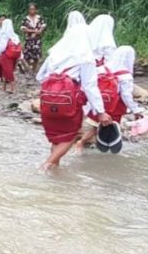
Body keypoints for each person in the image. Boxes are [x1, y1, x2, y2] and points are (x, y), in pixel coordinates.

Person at [36, 23, 112, 170]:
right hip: (69, 103)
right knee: (72, 134)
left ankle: (54, 170)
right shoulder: (85, 57)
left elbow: (40, 77)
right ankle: (46, 165)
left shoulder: (54, 54)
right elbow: (90, 86)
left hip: (47, 102)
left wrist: (55, 87)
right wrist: (100, 112)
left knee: (57, 136)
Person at [76, 45, 145, 152]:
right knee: (109, 126)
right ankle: (85, 142)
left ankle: (90, 142)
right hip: (115, 105)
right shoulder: (125, 75)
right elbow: (126, 95)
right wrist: (136, 110)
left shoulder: (101, 69)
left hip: (99, 102)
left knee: (97, 124)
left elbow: (89, 85)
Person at [21, 3, 47, 74]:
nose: (32, 10)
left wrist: (39, 31)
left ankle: (33, 70)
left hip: (37, 39)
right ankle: (29, 69)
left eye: (33, 9)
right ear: (28, 10)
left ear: (36, 9)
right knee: (27, 56)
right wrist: (33, 31)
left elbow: (43, 26)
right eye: (30, 9)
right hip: (29, 39)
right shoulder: (26, 19)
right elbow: (23, 29)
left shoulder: (40, 18)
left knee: (36, 56)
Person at [0, 17, 21, 93]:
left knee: (7, 71)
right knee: (9, 70)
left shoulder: (4, 35)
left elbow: (2, 47)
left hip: (6, 55)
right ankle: (4, 87)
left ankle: (13, 87)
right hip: (14, 55)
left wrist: (0, 52)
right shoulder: (15, 36)